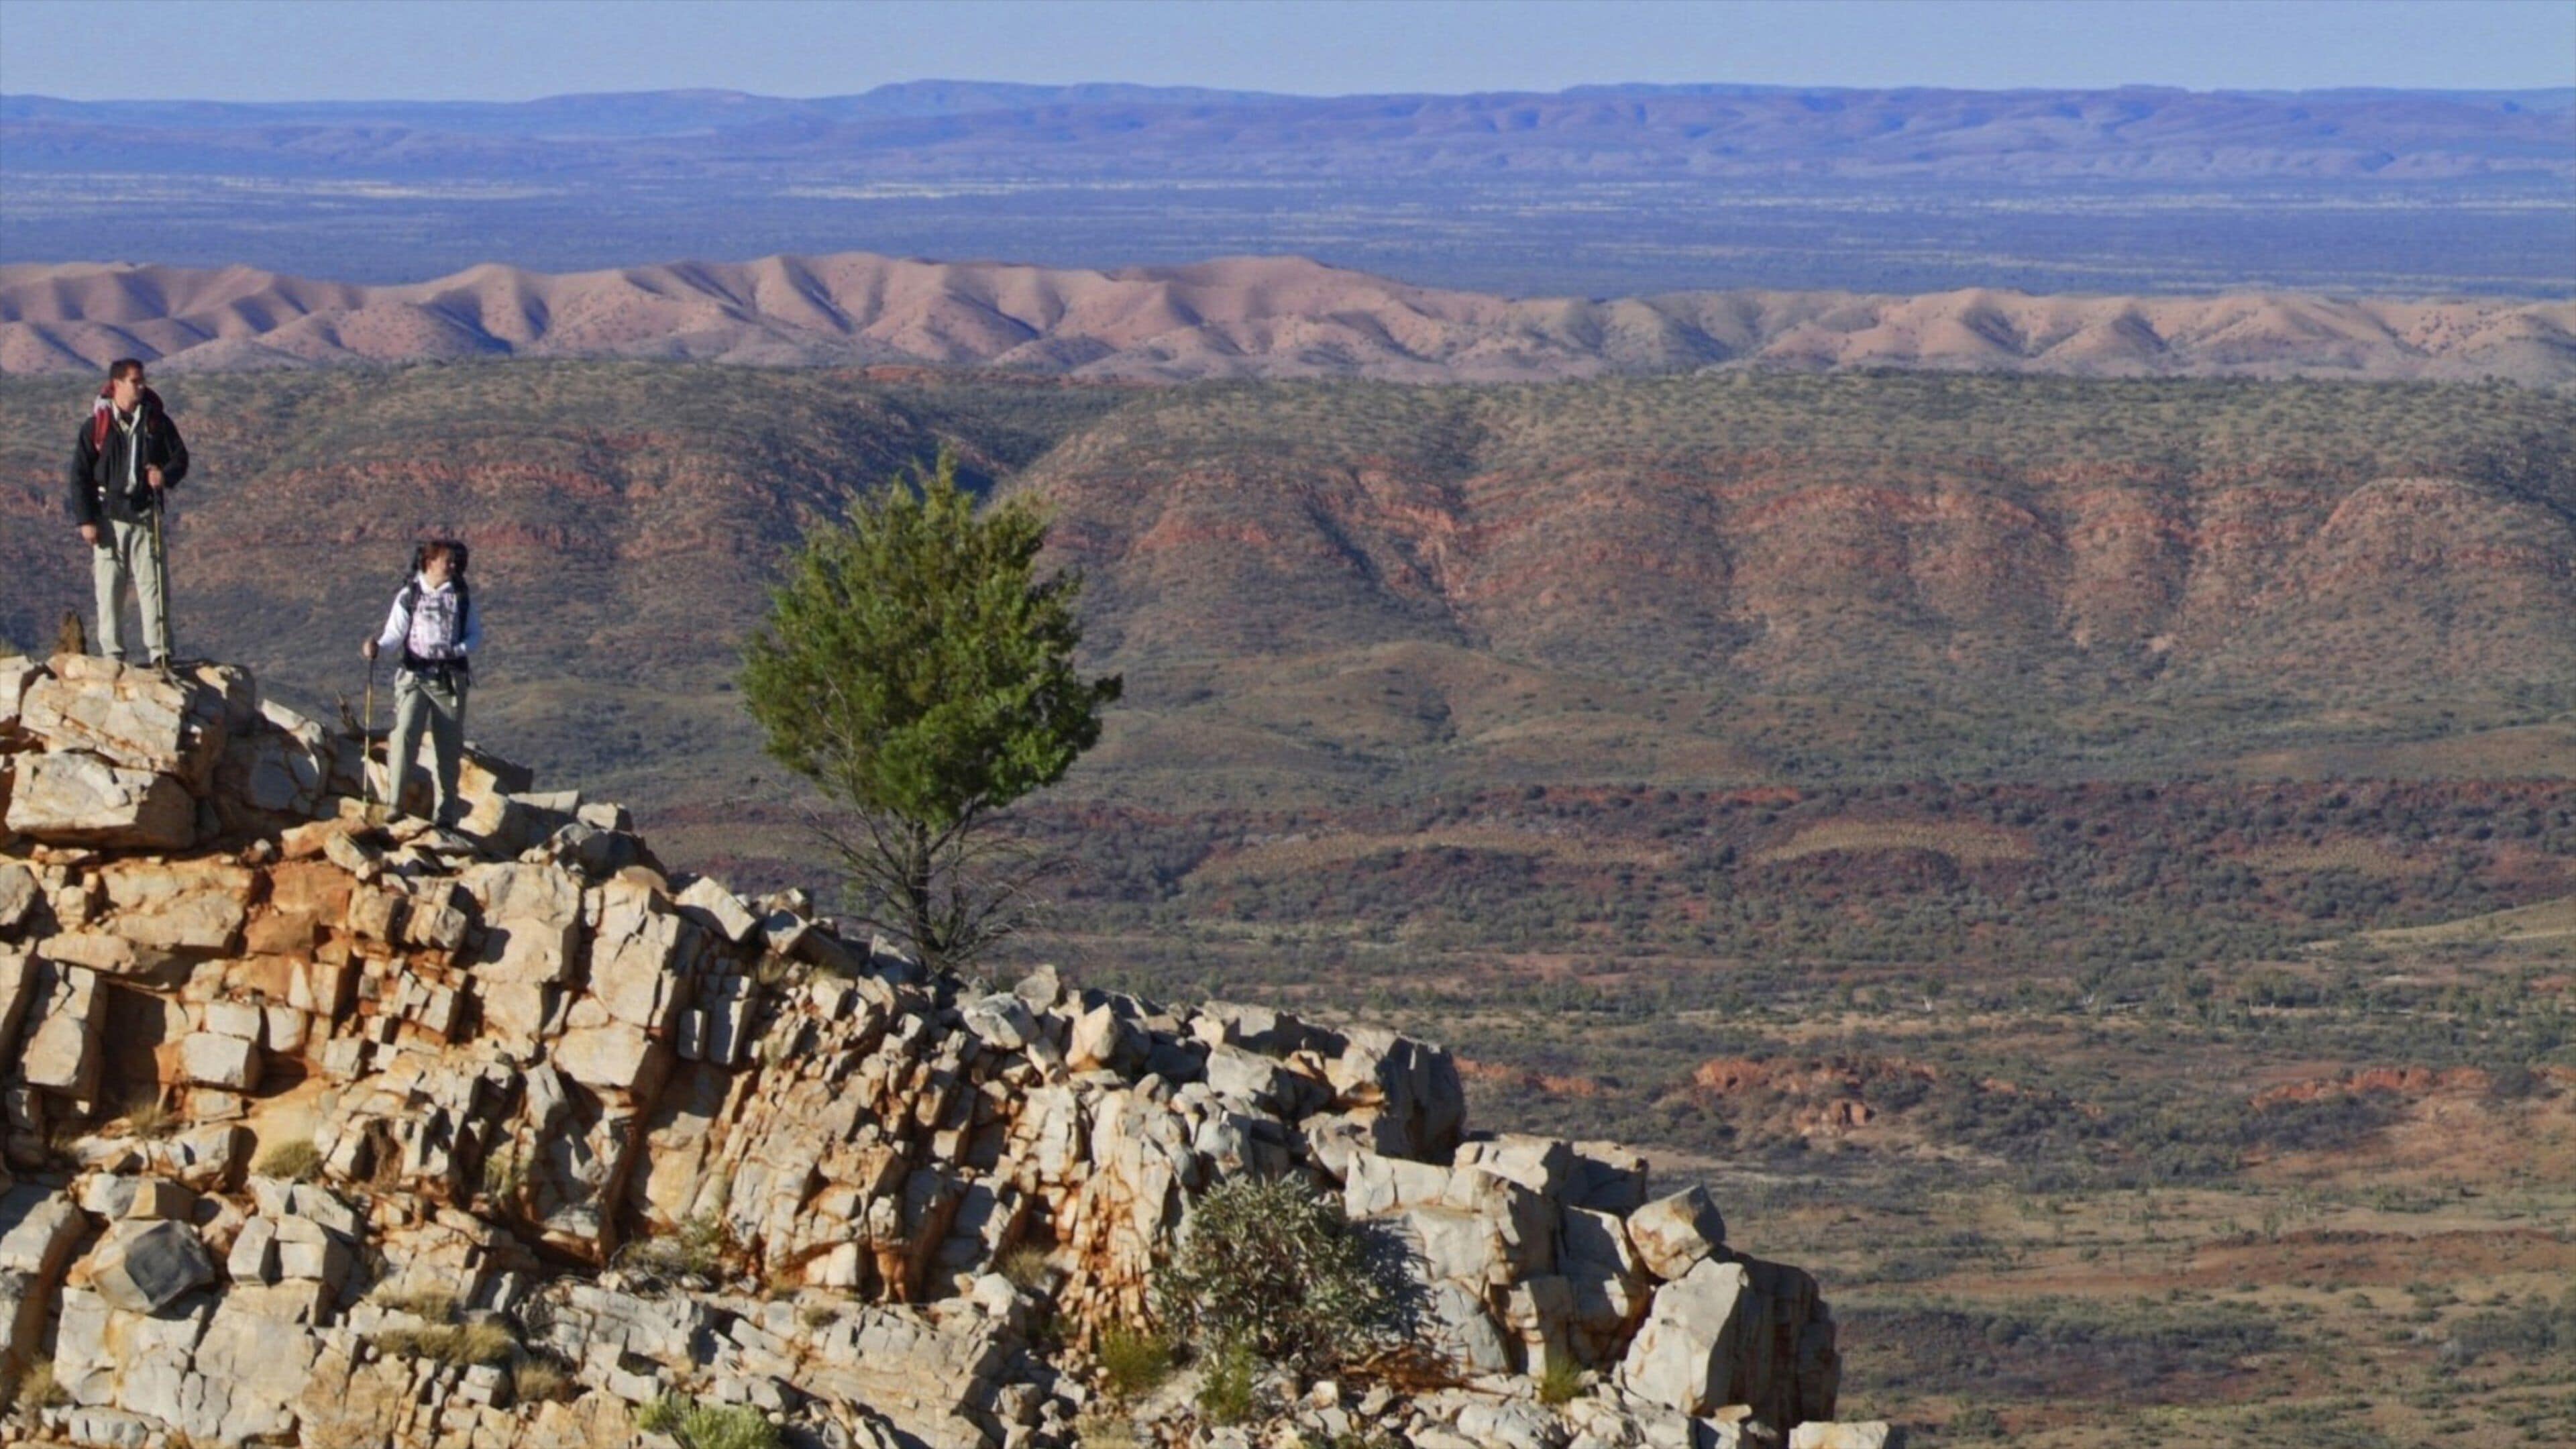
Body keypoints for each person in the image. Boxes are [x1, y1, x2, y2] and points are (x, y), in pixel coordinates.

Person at [66, 358, 189, 668]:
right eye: (135, 381)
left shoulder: (156, 423)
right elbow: (80, 475)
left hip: (146, 514)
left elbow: (180, 458)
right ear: (117, 384)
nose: (141, 386)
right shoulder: (97, 426)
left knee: (153, 585)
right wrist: (86, 520)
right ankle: (113, 653)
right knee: (109, 587)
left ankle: (160, 652)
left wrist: (164, 476)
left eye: (142, 380)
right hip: (109, 517)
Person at [364, 540, 481, 827]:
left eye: (454, 561)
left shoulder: (460, 596)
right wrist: (377, 647)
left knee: (448, 746)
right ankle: (395, 803)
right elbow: (395, 633)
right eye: (447, 561)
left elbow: (475, 635)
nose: (453, 566)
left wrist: (455, 651)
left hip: (448, 679)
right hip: (414, 676)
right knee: (404, 734)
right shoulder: (410, 594)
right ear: (430, 562)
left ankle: (446, 813)